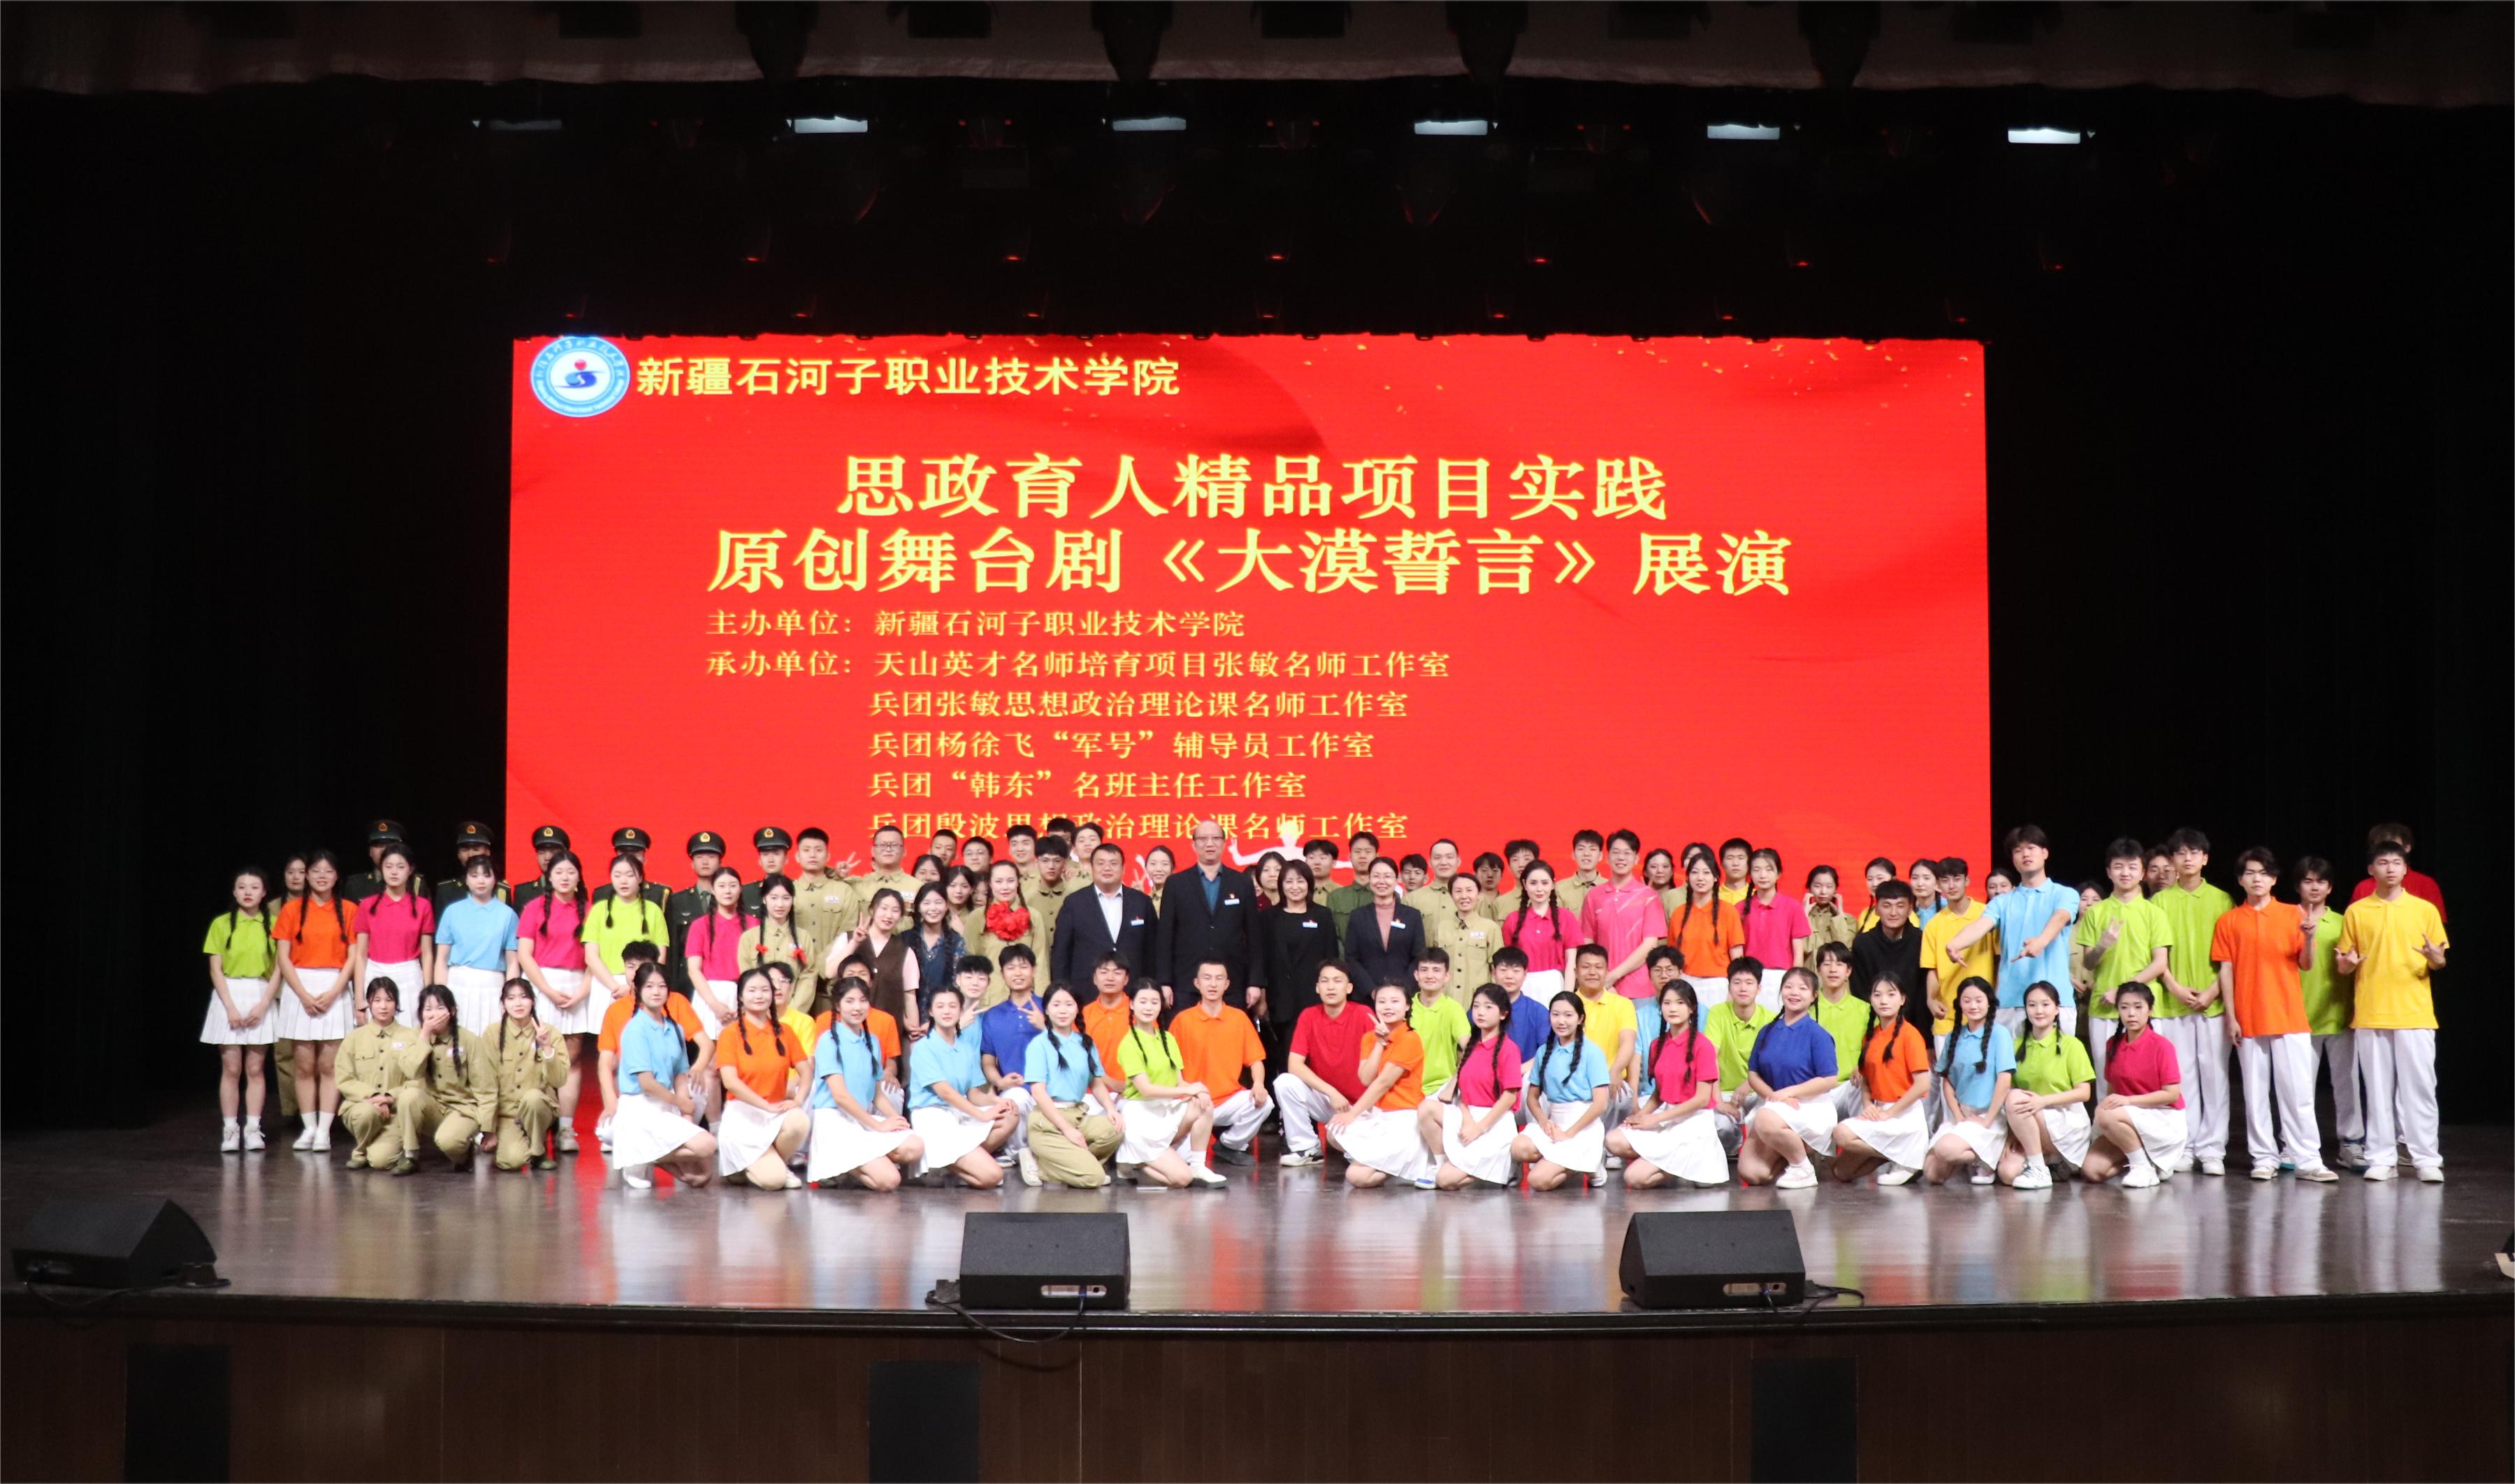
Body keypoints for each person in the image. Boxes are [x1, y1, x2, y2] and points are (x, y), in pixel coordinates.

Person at [2212, 848, 2339, 1182]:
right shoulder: (2229, 921)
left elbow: (2306, 964)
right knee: (2255, 1095)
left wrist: (2310, 938)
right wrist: (2232, 1017)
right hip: (2249, 1016)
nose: (2258, 879)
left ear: (2274, 879)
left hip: (2288, 1015)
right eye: (2250, 873)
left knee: (2297, 1093)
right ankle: (2263, 1157)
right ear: (2240, 880)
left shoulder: (2292, 914)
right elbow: (2226, 970)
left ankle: (2308, 1160)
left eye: (2264, 873)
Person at [2337, 838, 2449, 1182]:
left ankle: (2426, 1158)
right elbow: (2344, 963)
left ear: (2405, 869)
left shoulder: (2424, 910)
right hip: (2372, 1012)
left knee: (2420, 1089)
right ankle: (2382, 1158)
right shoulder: (2357, 912)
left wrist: (2436, 959)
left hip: (2415, 1012)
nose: (2390, 869)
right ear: (2371, 870)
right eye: (2383, 863)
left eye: (2396, 863)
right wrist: (2348, 964)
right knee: (2378, 1090)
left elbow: (2440, 960)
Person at [2141, 828, 2235, 1174]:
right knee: (2182, 1079)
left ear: (2205, 858)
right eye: (2180, 853)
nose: (2187, 858)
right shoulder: (2160, 902)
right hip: (2172, 1002)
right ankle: (2186, 1146)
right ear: (2173, 860)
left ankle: (2213, 1150)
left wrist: (2212, 992)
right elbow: (2156, 955)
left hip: (2213, 1003)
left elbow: (2231, 957)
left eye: (2194, 852)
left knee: (2215, 1077)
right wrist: (2175, 987)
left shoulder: (2222, 900)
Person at [1945, 824, 2077, 1070]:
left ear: (2045, 853)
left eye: (2031, 848)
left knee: (2057, 1071)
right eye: (2018, 850)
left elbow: (2061, 917)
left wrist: (2041, 941)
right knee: (2008, 1072)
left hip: (2055, 1000)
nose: (2025, 854)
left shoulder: (2065, 894)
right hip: (2011, 1000)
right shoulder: (2002, 902)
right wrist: (1955, 943)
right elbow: (1981, 925)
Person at [274, 849, 363, 1152]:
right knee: (303, 1065)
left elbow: (354, 956)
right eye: (315, 871)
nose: (322, 876)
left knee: (329, 1065)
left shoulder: (349, 909)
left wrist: (337, 990)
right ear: (307, 875)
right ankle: (309, 1127)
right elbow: (283, 958)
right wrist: (302, 994)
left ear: (337, 876)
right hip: (300, 987)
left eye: (328, 871)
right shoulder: (291, 909)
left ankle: (324, 1129)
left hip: (334, 985)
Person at [1607, 980, 1727, 1188]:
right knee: (1613, 1140)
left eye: (1680, 1003)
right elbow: (1659, 1093)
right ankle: (1678, 1164)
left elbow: (1702, 1099)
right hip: (1668, 1117)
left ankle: (1689, 1162)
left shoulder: (1703, 1045)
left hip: (1693, 1123)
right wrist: (1641, 1116)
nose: (1673, 1008)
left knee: (1634, 1178)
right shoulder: (1657, 1045)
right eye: (1667, 1003)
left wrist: (1656, 1119)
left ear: (1692, 1008)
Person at [2074, 839, 2173, 1089]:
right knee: (2105, 1078)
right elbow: (2089, 962)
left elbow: (2160, 963)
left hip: (2146, 1006)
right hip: (2103, 1007)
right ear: (2109, 872)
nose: (2125, 873)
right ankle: (2107, 1118)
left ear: (2142, 873)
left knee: (2148, 1078)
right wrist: (2102, 945)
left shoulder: (2154, 913)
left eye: (2132, 867)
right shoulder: (2096, 912)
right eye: (2118, 867)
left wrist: (2122, 992)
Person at [515, 850, 596, 1154]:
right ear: (549, 877)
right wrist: (547, 990)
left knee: (571, 1061)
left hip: (577, 985)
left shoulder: (589, 910)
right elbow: (525, 955)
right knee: (538, 1056)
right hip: (542, 984)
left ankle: (565, 1129)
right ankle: (536, 1125)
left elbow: (595, 957)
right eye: (558, 872)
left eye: (571, 872)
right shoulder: (534, 907)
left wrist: (582, 992)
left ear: (579, 877)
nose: (565, 877)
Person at [805, 981, 922, 1190]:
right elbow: (840, 1096)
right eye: (850, 1001)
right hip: (835, 1121)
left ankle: (852, 1163)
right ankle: (839, 1163)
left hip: (860, 1119)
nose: (857, 1007)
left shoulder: (872, 1041)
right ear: (838, 1006)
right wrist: (878, 1126)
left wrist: (896, 1120)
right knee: (890, 1180)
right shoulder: (829, 1041)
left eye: (862, 1001)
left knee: (914, 1146)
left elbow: (876, 1094)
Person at [594, 942, 709, 1155]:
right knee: (606, 1132)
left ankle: (652, 1145)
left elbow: (706, 1045)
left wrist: (698, 1068)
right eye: (630, 967)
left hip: (672, 1088)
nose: (636, 972)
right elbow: (605, 1064)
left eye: (643, 966)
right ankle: (664, 1144)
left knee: (697, 1091)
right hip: (639, 1095)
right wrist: (610, 1102)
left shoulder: (676, 1002)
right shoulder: (616, 1011)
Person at [610, 963, 718, 1189]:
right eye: (649, 986)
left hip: (665, 1106)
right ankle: (636, 1153)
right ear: (638, 990)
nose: (656, 992)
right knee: (707, 1145)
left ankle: (644, 1154)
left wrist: (687, 1117)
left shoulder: (675, 1029)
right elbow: (647, 1084)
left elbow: (680, 1076)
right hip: (640, 1107)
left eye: (661, 986)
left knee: (701, 1176)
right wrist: (681, 1103)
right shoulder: (635, 1029)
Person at [1115, 982, 1227, 1188]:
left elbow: (1180, 1082)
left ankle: (1198, 1166)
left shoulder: (1168, 1039)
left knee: (1204, 1103)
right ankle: (1135, 1159)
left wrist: (1199, 1091)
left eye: (1154, 1002)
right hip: (1141, 1116)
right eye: (1143, 1002)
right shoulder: (1129, 1043)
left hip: (1164, 1109)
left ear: (1161, 1006)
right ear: (1132, 1005)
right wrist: (1189, 1090)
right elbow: (1146, 1089)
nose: (1149, 1007)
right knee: (1182, 1179)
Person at [906, 985, 1020, 1187]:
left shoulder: (965, 1048)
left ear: (960, 1010)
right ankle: (957, 1164)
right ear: (931, 1011)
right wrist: (983, 1115)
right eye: (940, 1006)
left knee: (1010, 1115)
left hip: (960, 1112)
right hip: (933, 1116)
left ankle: (953, 1167)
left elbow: (973, 1094)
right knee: (993, 1176)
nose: (947, 1011)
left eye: (952, 1006)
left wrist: (998, 1101)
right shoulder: (924, 1048)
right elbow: (946, 1093)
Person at [1739, 967, 1841, 1189]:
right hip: (1775, 1104)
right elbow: (1753, 1074)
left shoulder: (1818, 1035)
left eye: (1802, 988)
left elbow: (1829, 1079)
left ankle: (1803, 1167)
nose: (1794, 992)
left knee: (1764, 1119)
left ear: (1814, 996)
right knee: (1752, 1173)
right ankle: (1793, 1156)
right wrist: (1773, 1096)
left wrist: (1787, 1094)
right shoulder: (1767, 1031)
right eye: (1789, 987)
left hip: (1808, 1106)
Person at [1829, 975, 1935, 1186]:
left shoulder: (1911, 1035)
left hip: (1905, 1115)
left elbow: (1923, 1084)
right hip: (1880, 1111)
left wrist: (1890, 1113)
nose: (1884, 1001)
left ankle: (1908, 1157)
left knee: (1842, 1133)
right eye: (1877, 995)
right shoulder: (1871, 1036)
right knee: (1840, 1171)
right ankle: (1902, 1155)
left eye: (1891, 995)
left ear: (1902, 999)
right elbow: (1866, 1079)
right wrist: (1868, 1105)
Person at [1328, 982, 1435, 1189]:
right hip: (1378, 1115)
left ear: (1407, 1006)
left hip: (1403, 1118)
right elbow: (1366, 1078)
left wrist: (1353, 1114)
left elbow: (1383, 1083)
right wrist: (1380, 1043)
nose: (1388, 1007)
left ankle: (1395, 1166)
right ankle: (1385, 1162)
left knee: (1356, 1177)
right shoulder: (1370, 1038)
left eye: (1395, 1001)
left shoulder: (1410, 1038)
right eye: (1382, 1002)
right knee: (1334, 1130)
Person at [1017, 983, 1124, 1188]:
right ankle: (1041, 1166)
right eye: (1056, 1005)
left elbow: (1096, 1082)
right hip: (1048, 1121)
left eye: (1069, 1004)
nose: (1063, 1010)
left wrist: (1111, 1109)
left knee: (1115, 1130)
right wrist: (1067, 1130)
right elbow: (1039, 1094)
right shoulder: (1039, 1045)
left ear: (1077, 1009)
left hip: (1077, 1115)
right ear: (1046, 1010)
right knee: (1094, 1178)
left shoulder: (1085, 1042)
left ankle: (1073, 1163)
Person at [203, 866, 280, 1152]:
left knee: (255, 1068)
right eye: (242, 887)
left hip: (260, 993)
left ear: (264, 892)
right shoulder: (221, 924)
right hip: (229, 995)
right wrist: (230, 1007)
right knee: (232, 1068)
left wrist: (264, 1004)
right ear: (234, 892)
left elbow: (279, 969)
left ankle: (253, 1128)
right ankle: (230, 1129)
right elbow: (215, 969)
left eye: (254, 887)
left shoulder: (274, 924)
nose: (248, 892)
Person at [2294, 857, 2365, 1170]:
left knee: (2347, 1084)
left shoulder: (2343, 922)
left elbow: (2354, 965)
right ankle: (2296, 1145)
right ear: (2298, 886)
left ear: (2330, 888)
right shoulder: (2287, 918)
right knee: (2300, 1089)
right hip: (2297, 1018)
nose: (2314, 887)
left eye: (2321, 882)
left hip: (2338, 1014)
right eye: (2308, 881)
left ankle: (2351, 1142)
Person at [2080, 984, 2186, 1188]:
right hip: (2129, 1118)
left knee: (2106, 1113)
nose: (2131, 1014)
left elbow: (2172, 1095)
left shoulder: (2162, 1046)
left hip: (2162, 1117)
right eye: (2124, 1007)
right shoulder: (2113, 1044)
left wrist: (2127, 1101)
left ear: (2150, 1010)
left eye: (2138, 1007)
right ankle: (2147, 1160)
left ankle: (2142, 1167)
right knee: (2092, 1170)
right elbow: (2113, 1091)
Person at [713, 968, 811, 1189]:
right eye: (752, 990)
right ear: (741, 996)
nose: (759, 996)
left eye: (765, 990)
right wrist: (765, 1106)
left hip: (774, 1111)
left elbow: (806, 1071)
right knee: (774, 1182)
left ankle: (775, 1163)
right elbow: (730, 1082)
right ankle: (751, 1168)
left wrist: (798, 1100)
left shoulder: (785, 1032)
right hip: (743, 1115)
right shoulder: (730, 1034)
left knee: (799, 1121)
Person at [1272, 961, 1375, 1168]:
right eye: (1325, 981)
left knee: (1357, 1156)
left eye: (1337, 981)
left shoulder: (1364, 1014)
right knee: (1285, 1082)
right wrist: (1332, 1093)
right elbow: (1295, 1065)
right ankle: (1307, 1148)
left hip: (1362, 1106)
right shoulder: (1309, 1016)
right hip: (1330, 1101)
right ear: (1317, 988)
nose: (1331, 987)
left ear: (1349, 988)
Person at [1171, 959, 1272, 1166]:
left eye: (1219, 979)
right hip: (1193, 1102)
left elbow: (1256, 1061)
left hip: (1228, 1099)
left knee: (1265, 1102)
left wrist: (1259, 1084)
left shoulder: (1239, 1018)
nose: (1213, 984)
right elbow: (1171, 1067)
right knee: (1183, 1161)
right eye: (1207, 978)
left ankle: (1229, 1145)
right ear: (1197, 983)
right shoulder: (1182, 1020)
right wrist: (1188, 1092)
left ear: (1227, 984)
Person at [389, 984, 497, 1177]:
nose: (434, 1015)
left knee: (449, 1142)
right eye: (428, 1009)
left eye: (440, 1008)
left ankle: (464, 1155)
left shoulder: (469, 1040)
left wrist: (489, 1129)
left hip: (463, 1109)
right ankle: (410, 1155)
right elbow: (411, 1071)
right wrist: (424, 1036)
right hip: (433, 1106)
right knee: (408, 1096)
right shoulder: (414, 1036)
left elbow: (485, 1088)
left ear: (452, 1011)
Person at [1152, 819, 1258, 1012]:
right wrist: (1165, 982)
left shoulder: (1242, 883)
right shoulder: (1176, 884)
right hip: (1186, 982)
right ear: (1193, 845)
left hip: (1232, 982)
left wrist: (1255, 982)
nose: (1210, 844)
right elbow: (1165, 937)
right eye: (1203, 839)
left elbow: (1254, 936)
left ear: (1224, 843)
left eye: (1215, 838)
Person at [1424, 985, 1523, 1189]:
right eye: (1476, 1006)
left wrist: (1479, 1128)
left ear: (1503, 1014)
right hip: (1468, 1115)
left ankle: (1502, 1167)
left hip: (1494, 1122)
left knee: (1446, 1180)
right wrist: (1468, 1119)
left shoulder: (1509, 1049)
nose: (1480, 1012)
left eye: (1488, 1007)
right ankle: (1441, 1163)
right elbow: (1464, 1093)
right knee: (1426, 1108)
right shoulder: (1472, 1046)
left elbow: (1509, 1098)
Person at [1998, 982, 2095, 1189]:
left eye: (2045, 1004)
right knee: (2007, 1174)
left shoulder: (2071, 1045)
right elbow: (2006, 1090)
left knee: (2016, 1099)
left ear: (2057, 1009)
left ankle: (2040, 1169)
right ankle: (2049, 1163)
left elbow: (2084, 1093)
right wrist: (2012, 1132)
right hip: (2028, 1118)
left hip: (2065, 1117)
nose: (2039, 1011)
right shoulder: (2015, 1046)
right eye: (2032, 1005)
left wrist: (2043, 1102)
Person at [1512, 992, 1612, 1191]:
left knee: (1538, 1181)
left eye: (1568, 1015)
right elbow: (1532, 1098)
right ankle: (1575, 1162)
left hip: (1583, 1126)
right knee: (1519, 1148)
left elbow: (1601, 1104)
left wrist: (1569, 1134)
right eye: (1556, 1015)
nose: (1561, 1021)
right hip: (1555, 1121)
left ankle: (1590, 1163)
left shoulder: (1592, 1052)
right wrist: (1544, 1122)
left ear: (1580, 1019)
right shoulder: (1544, 1052)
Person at [1252, 859, 1340, 1083]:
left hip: (1314, 998)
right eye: (1289, 881)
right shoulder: (1267, 918)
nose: (1295, 887)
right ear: (1281, 885)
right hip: (1280, 1000)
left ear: (1309, 884)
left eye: (1300, 881)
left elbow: (1332, 959)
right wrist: (1262, 998)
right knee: (1285, 1059)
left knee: (1317, 1059)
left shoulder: (1322, 915)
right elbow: (1260, 959)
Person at [1924, 978, 2014, 1186]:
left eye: (1979, 1000)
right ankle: (1978, 1155)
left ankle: (1987, 1158)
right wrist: (1958, 1116)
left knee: (1945, 1149)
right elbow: (1947, 1081)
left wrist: (1987, 1120)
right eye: (1967, 1001)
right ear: (1960, 1004)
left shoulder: (2000, 1034)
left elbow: (2004, 1081)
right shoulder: (1955, 1036)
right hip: (1964, 1116)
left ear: (1989, 1003)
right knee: (1932, 1173)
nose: (1973, 1006)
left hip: (1990, 1116)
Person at [1581, 829, 1670, 1040]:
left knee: (1641, 1046)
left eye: (1627, 853)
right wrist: (1602, 979)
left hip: (1640, 988)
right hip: (1602, 987)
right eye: (1616, 852)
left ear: (1637, 858)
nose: (1621, 858)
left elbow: (1650, 945)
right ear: (1607, 856)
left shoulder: (1648, 897)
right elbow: (1587, 943)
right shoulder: (1595, 896)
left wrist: (1613, 976)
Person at [335, 981, 420, 1171]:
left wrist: (390, 1097)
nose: (383, 1006)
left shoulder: (410, 1037)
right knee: (367, 1113)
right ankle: (360, 1151)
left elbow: (418, 1080)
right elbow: (344, 1078)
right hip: (362, 1106)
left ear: (396, 1003)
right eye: (377, 1000)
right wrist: (373, 1097)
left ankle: (389, 1148)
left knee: (381, 1161)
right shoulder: (354, 1038)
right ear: (369, 1003)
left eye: (389, 1000)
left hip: (396, 1112)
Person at [1920, 857, 1999, 1059]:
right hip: (1948, 1015)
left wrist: (1997, 999)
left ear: (1967, 881)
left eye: (1957, 879)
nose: (1952, 885)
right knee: (1949, 1075)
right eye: (1945, 880)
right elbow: (1932, 968)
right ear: (1938, 886)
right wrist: (1930, 1000)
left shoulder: (1987, 915)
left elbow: (1998, 960)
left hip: (1985, 1012)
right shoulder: (1934, 925)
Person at [434, 857, 521, 1034]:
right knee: (457, 1039)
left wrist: (511, 997)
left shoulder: (508, 914)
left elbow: (512, 962)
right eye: (474, 876)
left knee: (492, 1038)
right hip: (458, 983)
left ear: (495, 879)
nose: (481, 881)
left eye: (487, 876)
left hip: (493, 985)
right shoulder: (452, 912)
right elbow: (441, 960)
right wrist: (441, 996)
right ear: (466, 879)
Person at [581, 854, 671, 1028]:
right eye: (617, 875)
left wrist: (636, 987)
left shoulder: (654, 911)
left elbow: (660, 957)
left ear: (640, 878)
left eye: (630, 875)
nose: (623, 881)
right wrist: (615, 987)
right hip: (606, 986)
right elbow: (591, 956)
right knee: (606, 1040)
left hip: (644, 987)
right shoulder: (599, 910)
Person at [1053, 843, 1157, 991]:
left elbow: (1153, 950)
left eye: (1113, 864)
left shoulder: (1142, 902)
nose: (1107, 868)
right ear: (1092, 867)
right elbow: (1061, 952)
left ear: (1123, 868)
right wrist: (1061, 989)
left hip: (1134, 989)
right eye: (1101, 863)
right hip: (1086, 989)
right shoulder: (1074, 903)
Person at [489, 978, 567, 1172]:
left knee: (533, 1099)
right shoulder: (492, 1034)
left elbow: (559, 1080)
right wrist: (487, 1128)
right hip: (507, 1114)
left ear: (533, 1001)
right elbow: (485, 1083)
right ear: (503, 1004)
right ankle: (517, 1141)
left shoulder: (550, 1032)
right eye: (511, 998)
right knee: (512, 1162)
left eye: (524, 997)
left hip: (539, 1108)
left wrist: (547, 1047)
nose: (518, 1003)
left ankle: (539, 1151)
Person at [1568, 944, 1639, 1142]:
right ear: (1576, 972)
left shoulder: (1623, 1004)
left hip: (1609, 1080)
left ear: (1607, 972)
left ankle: (1608, 1144)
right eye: (1586, 967)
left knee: (1620, 1095)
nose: (1592, 972)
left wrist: (1615, 1071)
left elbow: (1628, 1043)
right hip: (1575, 1082)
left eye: (1598, 967)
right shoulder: (1567, 1004)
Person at [353, 845, 434, 1015]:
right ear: (381, 869)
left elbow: (427, 955)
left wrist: (428, 995)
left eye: (401, 867)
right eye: (388, 867)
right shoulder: (367, 905)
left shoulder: (423, 906)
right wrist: (359, 998)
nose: (394, 872)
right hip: (375, 976)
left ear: (410, 870)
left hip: (409, 978)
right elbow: (360, 955)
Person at [827, 888, 919, 1038]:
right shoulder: (848, 938)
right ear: (872, 910)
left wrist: (915, 1034)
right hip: (849, 1028)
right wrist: (855, 943)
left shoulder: (905, 951)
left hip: (887, 1031)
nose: (889, 915)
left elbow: (910, 997)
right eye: (884, 908)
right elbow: (830, 972)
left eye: (895, 911)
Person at [1703, 962, 1774, 1152]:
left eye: (1749, 983)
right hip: (1724, 1091)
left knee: (1767, 1121)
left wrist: (1750, 1083)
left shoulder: (1771, 1019)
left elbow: (1772, 1064)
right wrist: (1718, 1101)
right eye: (1737, 982)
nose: (1743, 988)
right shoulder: (1718, 1013)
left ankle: (1752, 1152)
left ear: (1759, 988)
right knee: (1719, 1127)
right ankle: (1732, 1150)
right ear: (1729, 987)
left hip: (1759, 1093)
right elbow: (1710, 1057)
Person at [1500, 860, 1586, 1006]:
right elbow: (1507, 964)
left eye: (1545, 883)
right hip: (1522, 986)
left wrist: (1567, 997)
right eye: (1533, 883)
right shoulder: (1512, 920)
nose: (1539, 889)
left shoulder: (1566, 917)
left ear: (1553, 884)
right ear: (1524, 884)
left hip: (1555, 985)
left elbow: (1571, 962)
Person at [1853, 880, 1927, 1047]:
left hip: (1916, 1030)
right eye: (1887, 906)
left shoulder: (1922, 941)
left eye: (1900, 906)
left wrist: (1927, 1041)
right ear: (1877, 909)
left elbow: (1924, 994)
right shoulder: (1863, 944)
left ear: (1910, 909)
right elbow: (1860, 993)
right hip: (1874, 1029)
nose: (1893, 912)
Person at [665, 831, 736, 999]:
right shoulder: (677, 901)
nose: (705, 862)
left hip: (725, 981)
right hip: (687, 983)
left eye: (711, 857)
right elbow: (673, 950)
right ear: (692, 863)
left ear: (721, 862)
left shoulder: (733, 899)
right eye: (699, 857)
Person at [738, 878, 821, 1018]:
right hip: (759, 1014)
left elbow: (808, 976)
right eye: (774, 898)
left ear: (793, 900)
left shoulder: (803, 937)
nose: (780, 904)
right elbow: (747, 979)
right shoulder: (749, 938)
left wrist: (792, 1011)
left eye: (786, 898)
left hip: (794, 1014)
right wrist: (763, 1011)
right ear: (764, 899)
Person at [973, 860, 1050, 1006]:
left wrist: (1042, 1003)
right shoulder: (977, 917)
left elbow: (1041, 963)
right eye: (999, 881)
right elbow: (971, 962)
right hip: (989, 999)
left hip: (1027, 999)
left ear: (1018, 883)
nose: (1005, 887)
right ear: (990, 884)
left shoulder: (1034, 916)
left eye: (1010, 881)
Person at [1345, 857, 1426, 993]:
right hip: (1366, 994)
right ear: (1369, 879)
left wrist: (1402, 990)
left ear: (1397, 879)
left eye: (1387, 876)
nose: (1381, 881)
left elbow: (1419, 957)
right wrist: (1371, 990)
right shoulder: (1358, 916)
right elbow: (1351, 958)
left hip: (1404, 994)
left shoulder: (1412, 916)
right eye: (1376, 876)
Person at [1809, 943, 1870, 1118]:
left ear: (1848, 971)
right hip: (1817, 1088)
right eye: (1827, 964)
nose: (1833, 970)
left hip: (1851, 1086)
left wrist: (1862, 1066)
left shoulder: (1865, 1010)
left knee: (1866, 1083)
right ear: (1818, 970)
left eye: (1839, 964)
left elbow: (1876, 1047)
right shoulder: (1806, 1010)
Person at [1426, 871, 1505, 1007]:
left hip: (1478, 1004)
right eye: (1458, 891)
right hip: (1445, 1002)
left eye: (1469, 890)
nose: (1464, 896)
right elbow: (1433, 966)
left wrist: (1491, 1001)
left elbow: (1497, 968)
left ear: (1478, 895)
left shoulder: (1490, 928)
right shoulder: (1441, 928)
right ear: (1451, 895)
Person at [1736, 849, 1810, 994]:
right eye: (1757, 870)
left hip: (1782, 977)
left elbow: (1798, 952)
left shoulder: (1793, 907)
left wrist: (1794, 980)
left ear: (1778, 874)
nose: (1763, 875)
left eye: (1769, 870)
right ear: (1750, 874)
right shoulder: (1739, 908)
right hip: (1749, 977)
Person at [2347, 821, 2447, 919]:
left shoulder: (2426, 884)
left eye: (2393, 846)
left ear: (2407, 847)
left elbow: (2436, 923)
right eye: (2382, 847)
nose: (2388, 851)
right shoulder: (2363, 887)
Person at [1406, 954, 1472, 1100]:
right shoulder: (1404, 1007)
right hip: (1405, 1087)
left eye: (1436, 970)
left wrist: (1452, 1086)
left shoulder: (1454, 1008)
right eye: (1424, 970)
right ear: (1416, 975)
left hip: (1441, 1088)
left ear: (1447, 976)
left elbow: (1470, 1048)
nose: (1429, 976)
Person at [433, 822, 511, 913]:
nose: (470, 855)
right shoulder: (446, 890)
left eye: (476, 850)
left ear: (488, 853)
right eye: (464, 850)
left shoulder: (501, 891)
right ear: (458, 854)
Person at [1490, 947, 1552, 1060]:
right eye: (1503, 970)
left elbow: (1548, 1051)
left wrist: (1519, 1069)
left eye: (1516, 971)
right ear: (1494, 973)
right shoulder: (1480, 1009)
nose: (1509, 977)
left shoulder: (1538, 1012)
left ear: (1525, 974)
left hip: (1527, 1070)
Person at [1324, 831, 1381, 936]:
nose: (1362, 856)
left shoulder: (1388, 896)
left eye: (1368, 852)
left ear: (1377, 856)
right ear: (1350, 857)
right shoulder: (1335, 896)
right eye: (1357, 852)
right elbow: (1331, 933)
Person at [1801, 866, 1860, 967]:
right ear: (1809, 888)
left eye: (1829, 887)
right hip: (1807, 975)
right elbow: (1806, 947)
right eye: (1817, 886)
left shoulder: (1849, 920)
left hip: (1835, 975)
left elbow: (1843, 950)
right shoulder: (1797, 917)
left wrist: (1839, 917)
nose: (1823, 892)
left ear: (1836, 889)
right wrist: (1804, 916)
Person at [850, 824, 922, 904]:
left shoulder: (918, 887)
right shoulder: (858, 885)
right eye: (882, 845)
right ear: (873, 851)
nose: (888, 849)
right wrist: (839, 875)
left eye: (894, 845)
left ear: (904, 852)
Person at [512, 824, 572, 915]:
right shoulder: (523, 892)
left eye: (553, 852)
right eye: (542, 852)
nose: (547, 858)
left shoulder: (574, 889)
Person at [1907, 858, 1942, 927]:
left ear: (1937, 882)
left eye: (1926, 878)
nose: (1920, 884)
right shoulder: (1906, 909)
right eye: (1915, 878)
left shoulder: (1948, 907)